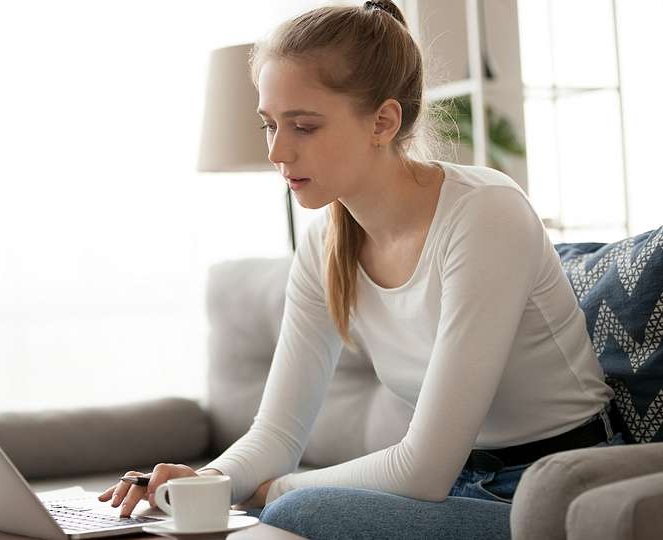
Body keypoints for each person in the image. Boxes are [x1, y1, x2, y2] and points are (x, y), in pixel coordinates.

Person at [98, 1, 624, 538]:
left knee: (295, 514)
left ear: (383, 121)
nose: (279, 151)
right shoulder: (324, 243)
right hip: (462, 490)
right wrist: (204, 482)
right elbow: (277, 433)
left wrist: (270, 492)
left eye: (303, 126)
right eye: (269, 125)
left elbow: (422, 469)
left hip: (559, 492)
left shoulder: (484, 212)